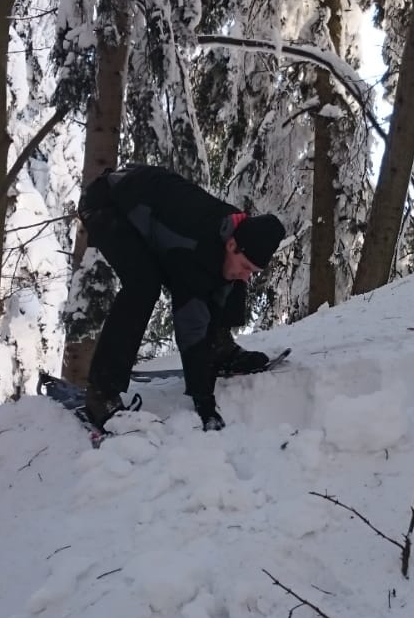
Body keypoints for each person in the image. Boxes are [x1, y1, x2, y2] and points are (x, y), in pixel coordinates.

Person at [76, 164, 286, 432]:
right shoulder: (194, 249)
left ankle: (221, 348)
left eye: (253, 270)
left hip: (152, 207)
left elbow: (225, 280)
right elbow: (190, 327)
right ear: (231, 245)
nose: (248, 275)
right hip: (106, 203)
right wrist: (204, 401)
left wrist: (213, 345)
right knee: (143, 285)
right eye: (247, 265)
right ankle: (100, 394)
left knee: (232, 277)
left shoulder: (237, 229)